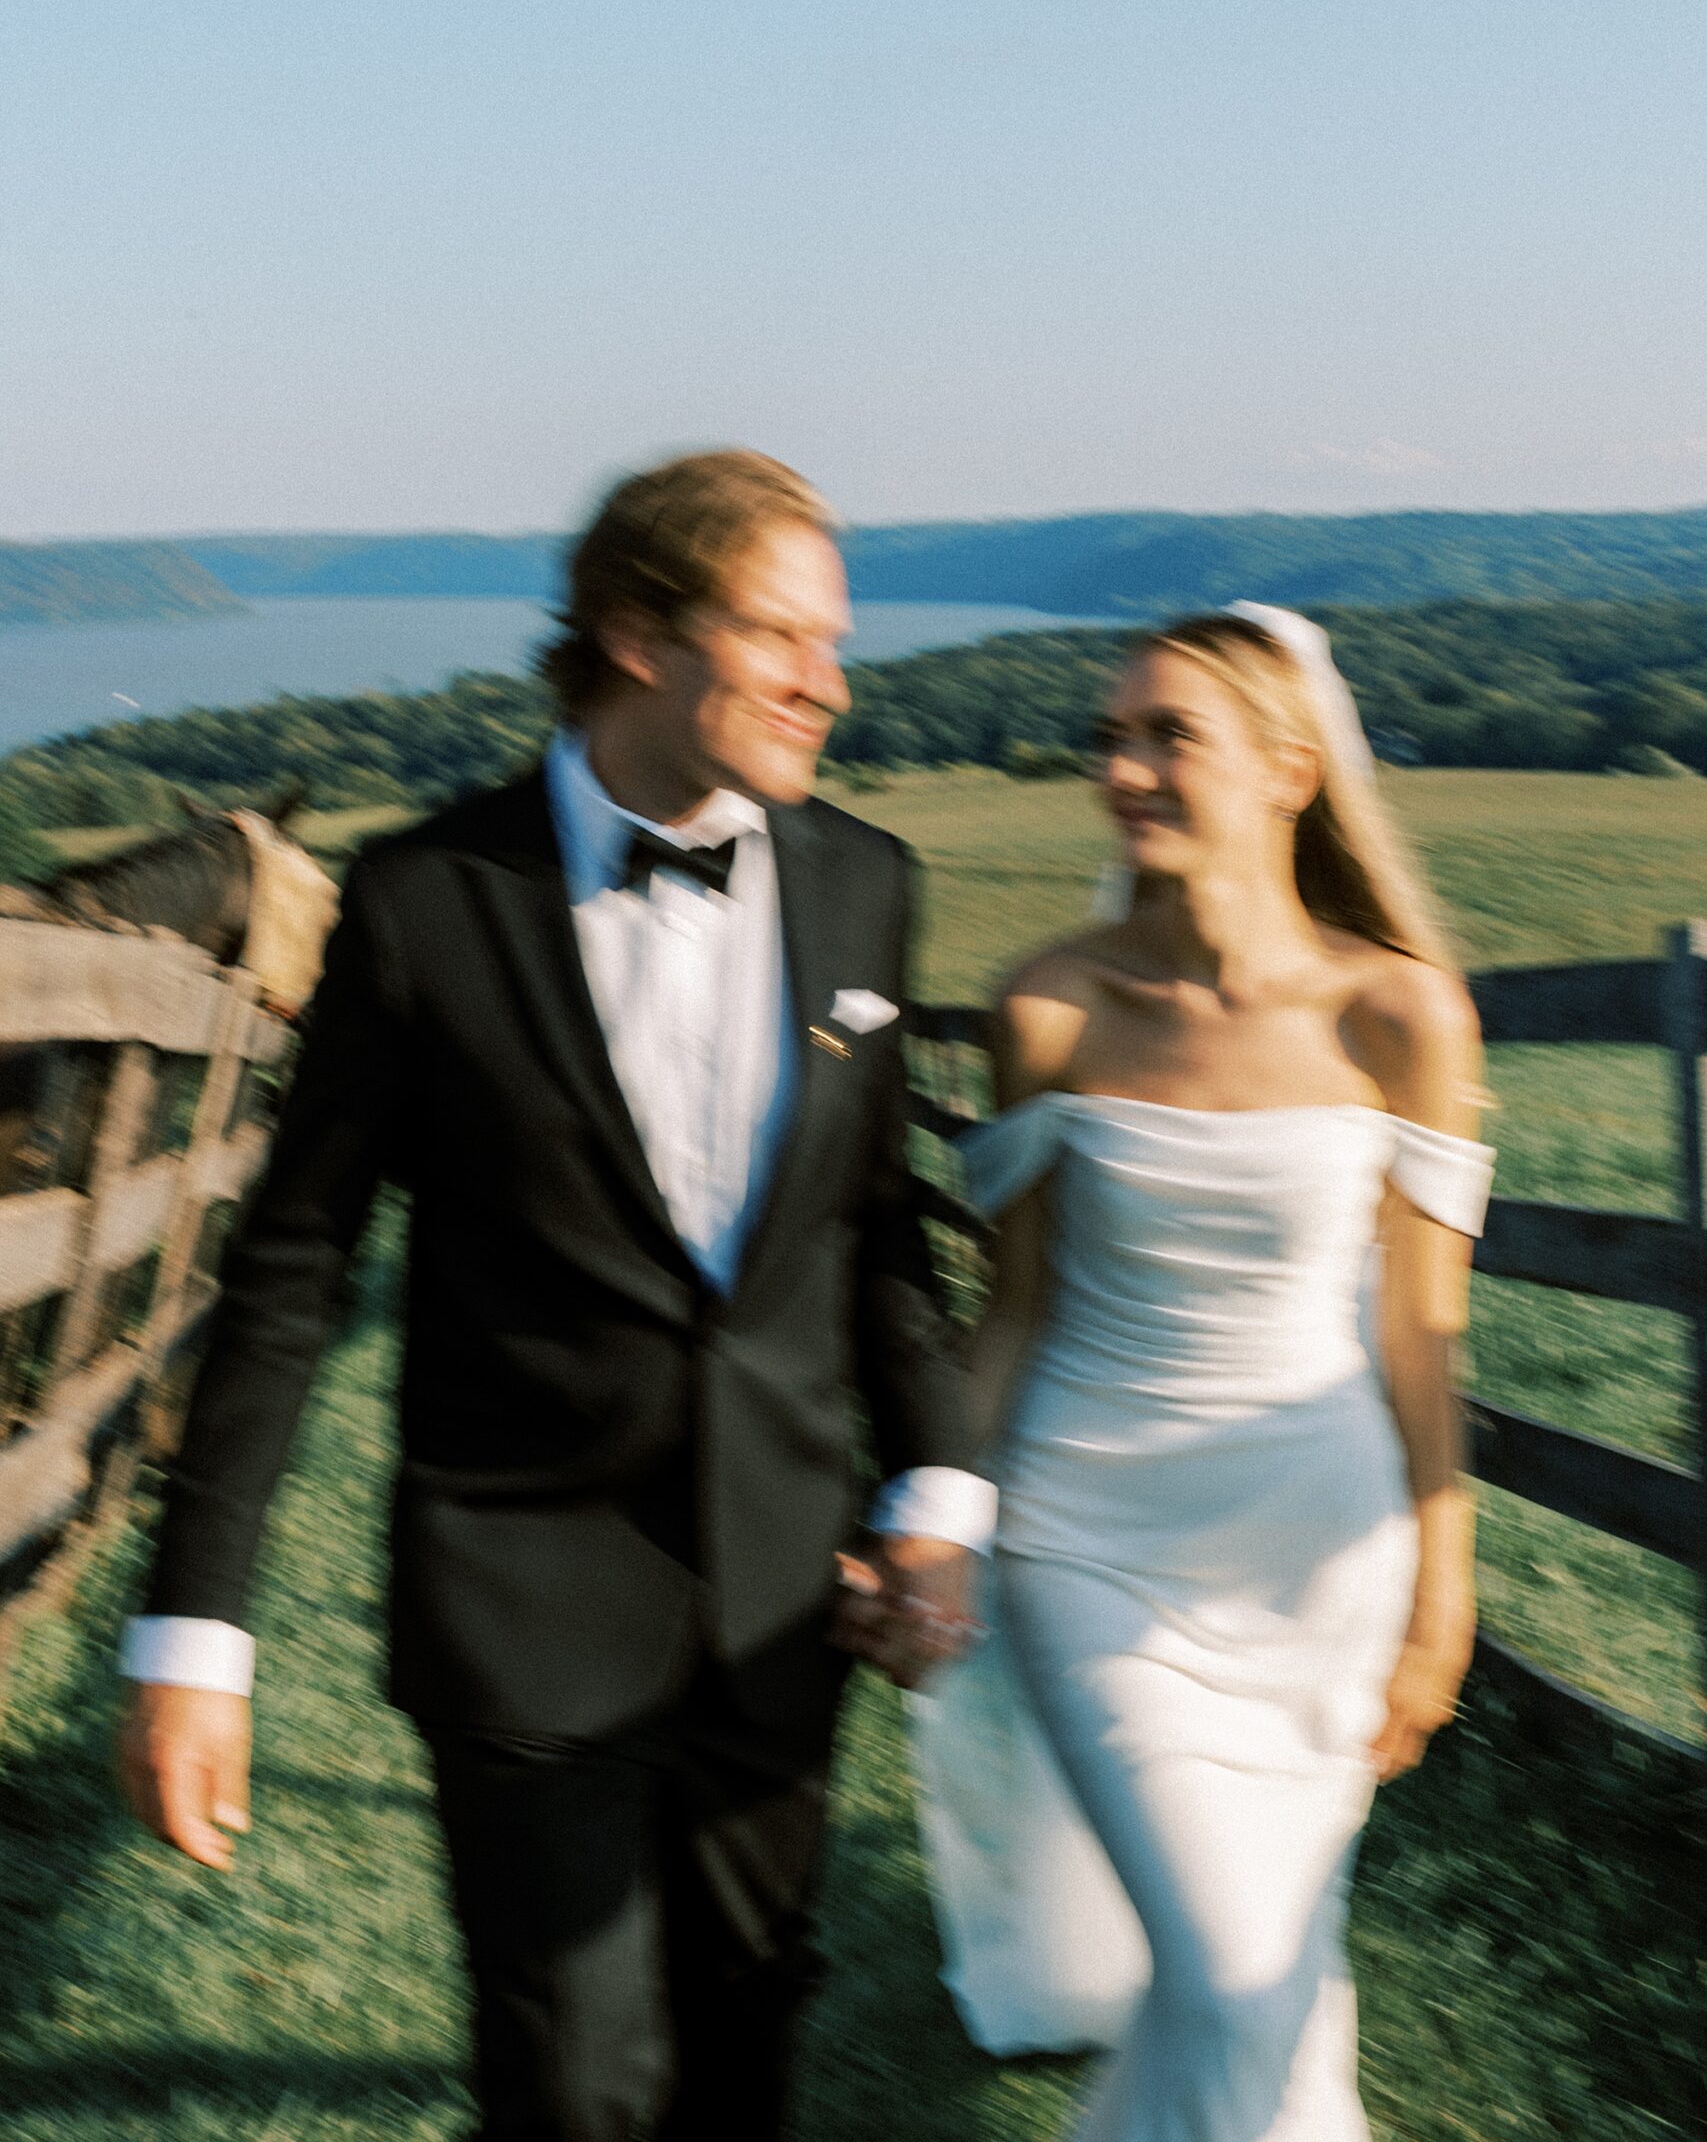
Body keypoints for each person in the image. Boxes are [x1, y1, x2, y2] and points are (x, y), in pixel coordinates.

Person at [117, 450, 989, 2142]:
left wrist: (938, 1499)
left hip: (782, 1600)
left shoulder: (866, 881)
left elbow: (878, 1238)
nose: (834, 682)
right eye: (786, 637)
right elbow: (290, 1280)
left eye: (837, 640)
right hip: (521, 1601)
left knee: (741, 2056)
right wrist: (196, 1632)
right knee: (578, 2089)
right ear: (637, 636)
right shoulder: (422, 901)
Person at [910, 606, 1493, 2140]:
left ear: (1291, 769)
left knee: (1270, 1972)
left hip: (1322, 1561)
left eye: (1171, 734)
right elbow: (1014, 1312)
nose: (1125, 768)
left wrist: (1443, 1596)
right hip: (1092, 1547)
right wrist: (937, 1520)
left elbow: (1424, 1346)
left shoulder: (1401, 1018)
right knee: (1233, 1975)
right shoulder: (1048, 1005)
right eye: (1114, 737)